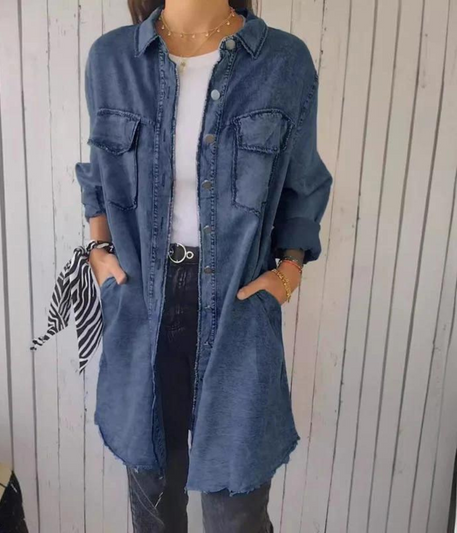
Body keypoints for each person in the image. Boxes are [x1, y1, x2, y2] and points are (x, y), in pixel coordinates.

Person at [77, 1, 333, 531]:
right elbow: (99, 174)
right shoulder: (112, 59)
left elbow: (303, 184)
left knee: (235, 513)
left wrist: (288, 272)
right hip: (142, 305)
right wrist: (98, 250)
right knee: (154, 504)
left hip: (238, 309)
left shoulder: (283, 62)